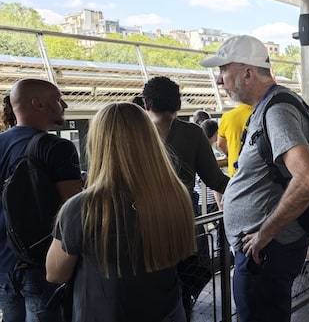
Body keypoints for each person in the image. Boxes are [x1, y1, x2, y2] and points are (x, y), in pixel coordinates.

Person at [200, 35, 309, 322]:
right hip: (265, 249)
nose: (219, 80)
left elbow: (308, 179)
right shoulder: (267, 108)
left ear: (247, 72)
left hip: (265, 252)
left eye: (223, 71)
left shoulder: (277, 110)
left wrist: (264, 235)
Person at [44, 102, 196, 322]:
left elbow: (55, 274)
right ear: (150, 140)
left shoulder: (83, 207)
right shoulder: (175, 195)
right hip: (169, 311)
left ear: (98, 144)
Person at [0, 79, 82, 321]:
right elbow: (74, 211)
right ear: (37, 103)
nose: (64, 104)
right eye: (58, 99)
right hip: (44, 264)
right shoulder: (57, 148)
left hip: (3, 266)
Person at [141, 76, 229, 215]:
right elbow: (216, 180)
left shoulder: (134, 134)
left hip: (146, 218)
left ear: (145, 104)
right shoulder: (193, 133)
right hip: (185, 215)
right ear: (179, 105)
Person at [196, 119, 225, 213]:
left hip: (199, 201)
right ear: (215, 133)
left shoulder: (196, 151)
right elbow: (216, 182)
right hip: (211, 201)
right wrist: (220, 206)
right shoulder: (214, 154)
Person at [217, 103, 253, 177]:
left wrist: (230, 154)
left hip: (235, 168)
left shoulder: (227, 116)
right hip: (256, 168)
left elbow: (220, 144)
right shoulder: (259, 115)